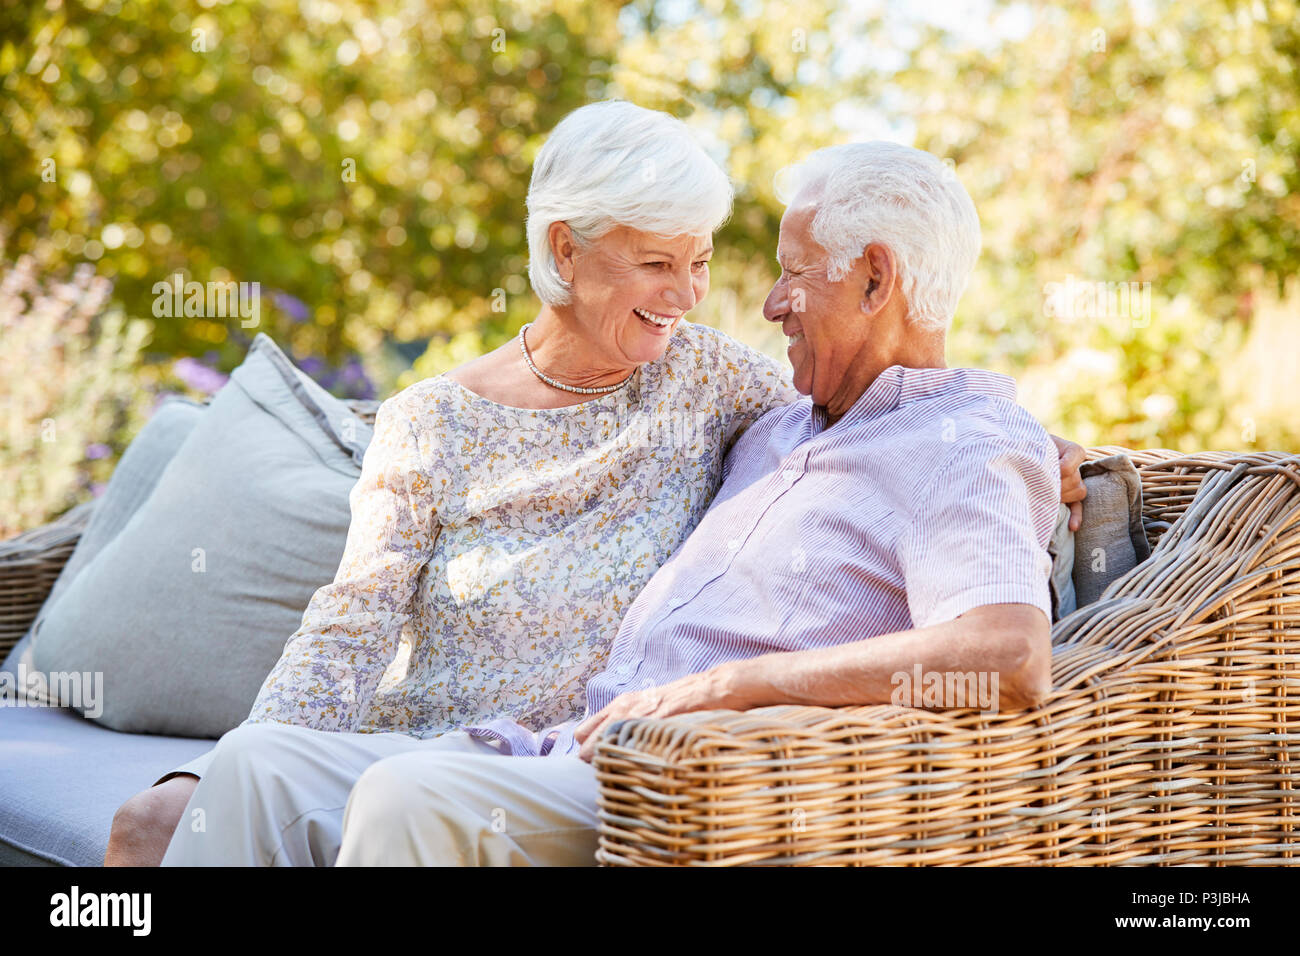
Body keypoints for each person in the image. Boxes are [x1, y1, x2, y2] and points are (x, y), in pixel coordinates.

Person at [156, 138, 1082, 867]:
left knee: (407, 798)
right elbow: (350, 621)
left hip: (686, 784)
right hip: (559, 750)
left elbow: (1006, 659)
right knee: (253, 768)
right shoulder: (777, 419)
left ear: (877, 280)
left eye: (793, 272)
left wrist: (729, 687)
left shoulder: (965, 444)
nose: (768, 303)